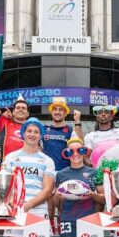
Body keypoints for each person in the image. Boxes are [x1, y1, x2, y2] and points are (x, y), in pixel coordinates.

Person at [1, 118, 56, 237]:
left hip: (38, 210)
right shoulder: (10, 158)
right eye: (29, 131)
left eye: (36, 132)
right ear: (23, 134)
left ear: (40, 135)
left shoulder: (47, 161)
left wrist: (28, 205)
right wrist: (18, 205)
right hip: (15, 210)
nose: (32, 134)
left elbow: (47, 190)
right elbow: (4, 185)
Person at [53, 138, 104, 237]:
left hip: (89, 219)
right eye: (71, 151)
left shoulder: (94, 173)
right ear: (66, 154)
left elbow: (104, 199)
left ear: (84, 152)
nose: (75, 154)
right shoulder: (61, 174)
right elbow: (56, 204)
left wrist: (92, 195)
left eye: (80, 150)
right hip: (68, 219)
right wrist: (57, 196)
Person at [41, 97, 83, 230]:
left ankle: (62, 229)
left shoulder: (70, 129)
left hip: (64, 171)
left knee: (63, 202)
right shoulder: (44, 129)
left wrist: (77, 122)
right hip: (48, 171)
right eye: (55, 110)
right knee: (49, 201)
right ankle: (50, 228)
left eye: (61, 110)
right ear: (52, 112)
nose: (58, 112)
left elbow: (80, 144)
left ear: (65, 113)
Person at [0, 85, 29, 159]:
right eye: (18, 108)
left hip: (25, 168)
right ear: (13, 112)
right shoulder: (5, 122)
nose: (20, 109)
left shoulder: (33, 128)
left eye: (23, 108)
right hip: (6, 169)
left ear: (27, 113)